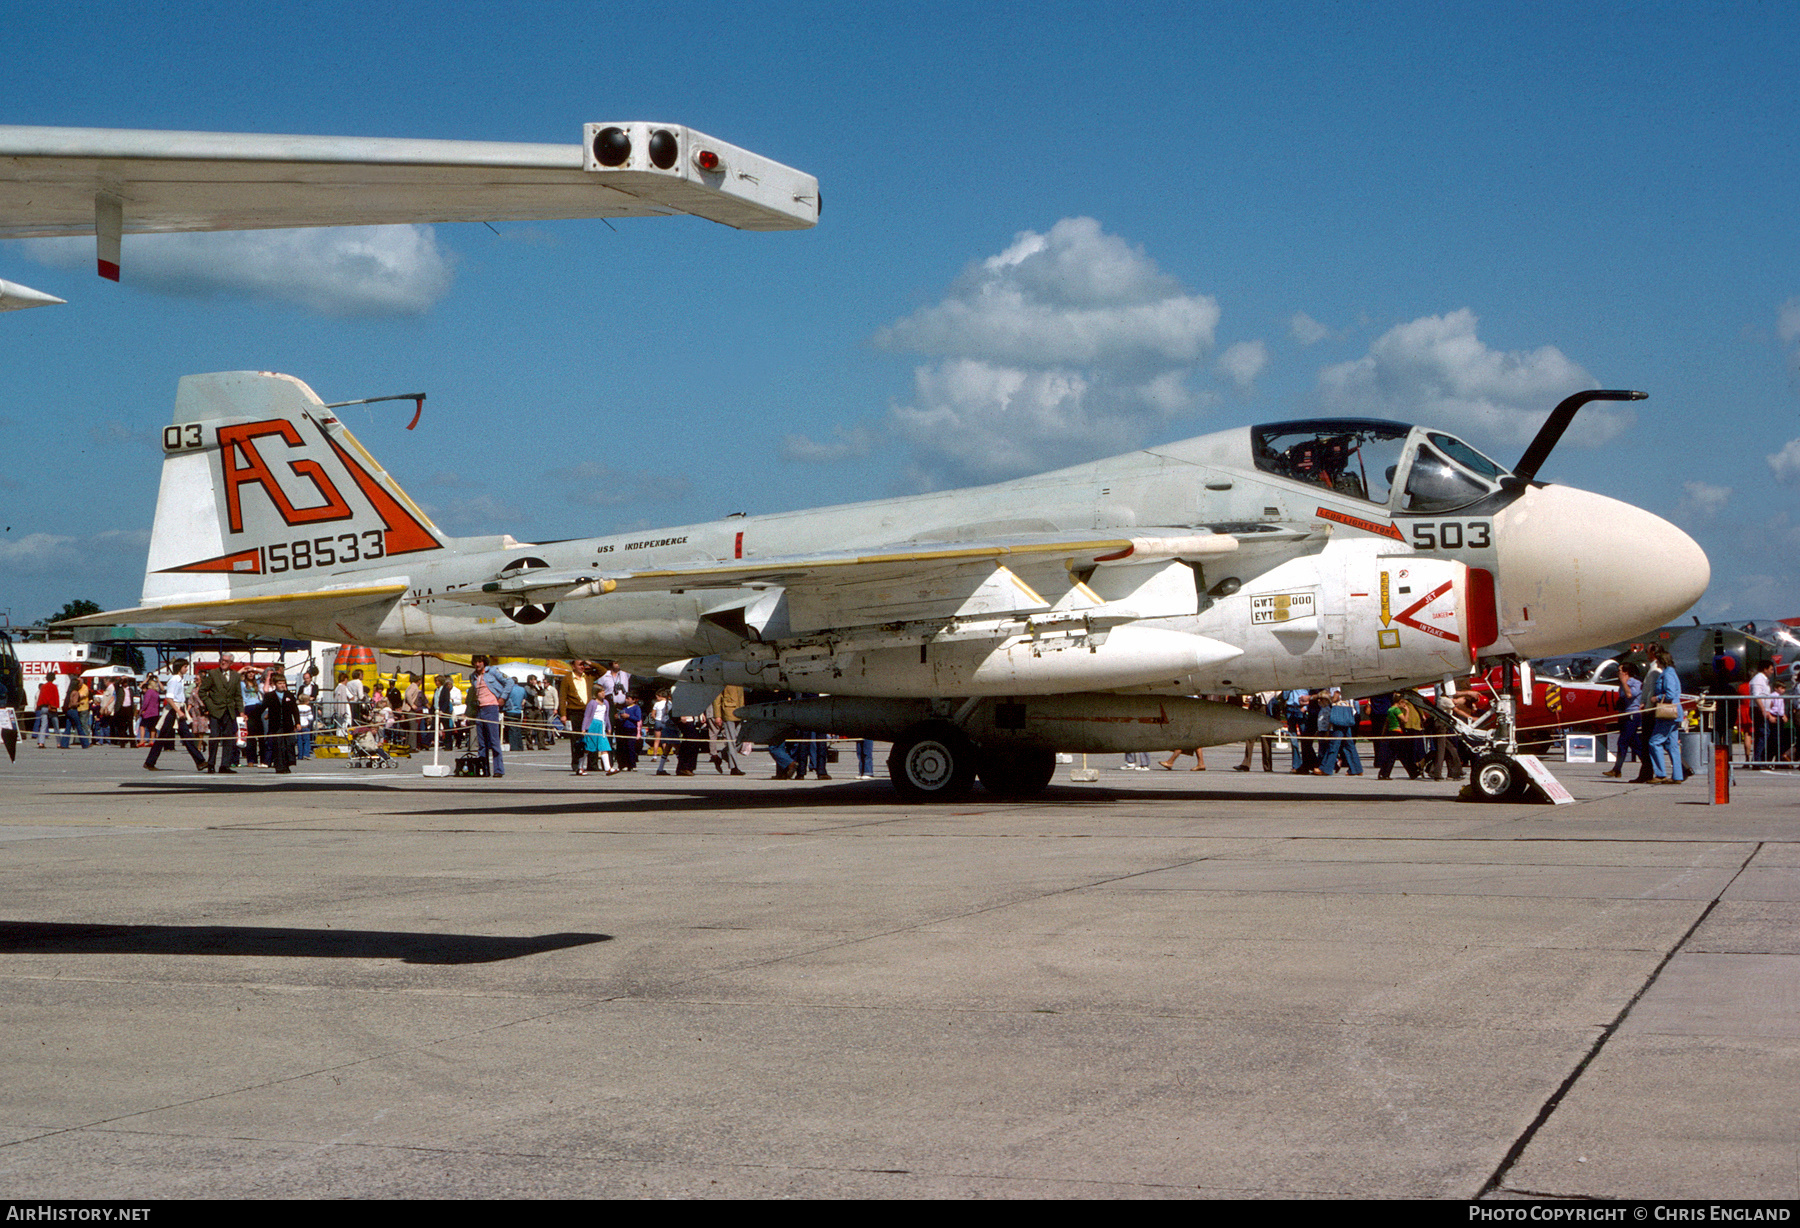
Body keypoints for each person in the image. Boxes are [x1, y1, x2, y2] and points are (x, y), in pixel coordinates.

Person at [144, 661, 206, 770]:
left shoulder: (180, 680)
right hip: (173, 711)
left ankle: (200, 761)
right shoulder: (174, 680)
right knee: (163, 736)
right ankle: (150, 762)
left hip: (179, 708)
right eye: (185, 667)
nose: (187, 669)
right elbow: (169, 698)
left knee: (186, 735)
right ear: (179, 668)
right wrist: (178, 711)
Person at [467, 656, 516, 777]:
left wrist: (503, 698)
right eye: (475, 662)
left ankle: (498, 770)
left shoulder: (493, 671)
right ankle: (484, 769)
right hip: (479, 709)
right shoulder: (473, 676)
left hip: (491, 708)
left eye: (479, 661)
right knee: (482, 742)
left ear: (484, 662)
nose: (477, 664)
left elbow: (509, 681)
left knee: (494, 741)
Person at [199, 654, 244, 774]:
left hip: (229, 711)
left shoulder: (235, 675)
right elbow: (202, 691)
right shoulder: (213, 674)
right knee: (214, 737)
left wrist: (241, 711)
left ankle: (225, 765)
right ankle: (211, 764)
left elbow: (238, 696)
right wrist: (210, 705)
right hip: (215, 711)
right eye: (222, 660)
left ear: (231, 663)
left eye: (226, 661)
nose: (223, 662)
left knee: (228, 739)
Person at [1646, 647, 1685, 784]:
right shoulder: (1672, 672)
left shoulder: (1667, 674)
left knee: (1654, 742)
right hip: (1675, 713)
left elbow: (1670, 694)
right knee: (1672, 745)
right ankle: (1677, 775)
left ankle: (1661, 773)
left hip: (1668, 713)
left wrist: (1656, 698)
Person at [1603, 663, 1643, 778]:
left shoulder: (1635, 683)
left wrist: (1624, 682)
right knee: (1635, 744)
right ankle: (1648, 764)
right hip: (1624, 714)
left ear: (1625, 672)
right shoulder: (1622, 685)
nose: (1618, 673)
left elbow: (1630, 694)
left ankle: (1617, 769)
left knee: (1622, 742)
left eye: (1620, 671)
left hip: (1632, 715)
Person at [263, 673, 301, 773]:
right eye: (280, 683)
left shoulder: (289, 695)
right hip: (275, 725)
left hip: (287, 724)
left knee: (288, 745)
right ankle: (279, 766)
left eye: (284, 683)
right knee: (278, 746)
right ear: (275, 684)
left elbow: (295, 710)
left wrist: (297, 722)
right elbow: (263, 707)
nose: (282, 685)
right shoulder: (270, 696)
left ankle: (287, 764)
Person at [1320, 688, 1364, 775]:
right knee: (1348, 744)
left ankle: (1326, 768)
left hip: (1340, 715)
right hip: (1347, 714)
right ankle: (1356, 768)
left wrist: (1328, 700)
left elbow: (1336, 695)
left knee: (1334, 743)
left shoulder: (1336, 684)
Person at [32, 674, 61, 748]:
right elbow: (56, 697)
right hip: (52, 707)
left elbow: (40, 698)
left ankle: (41, 742)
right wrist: (56, 706)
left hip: (43, 707)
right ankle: (59, 743)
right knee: (56, 726)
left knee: (43, 725)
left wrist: (38, 707)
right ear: (53, 678)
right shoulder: (54, 687)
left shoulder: (43, 686)